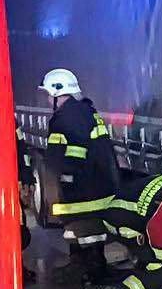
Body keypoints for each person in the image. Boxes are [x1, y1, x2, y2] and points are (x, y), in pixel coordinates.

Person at [39, 68, 120, 223]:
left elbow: (54, 163)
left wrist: (53, 197)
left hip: (80, 202)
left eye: (49, 94)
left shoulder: (63, 119)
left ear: (57, 92)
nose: (48, 99)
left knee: (77, 237)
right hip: (103, 196)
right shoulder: (89, 112)